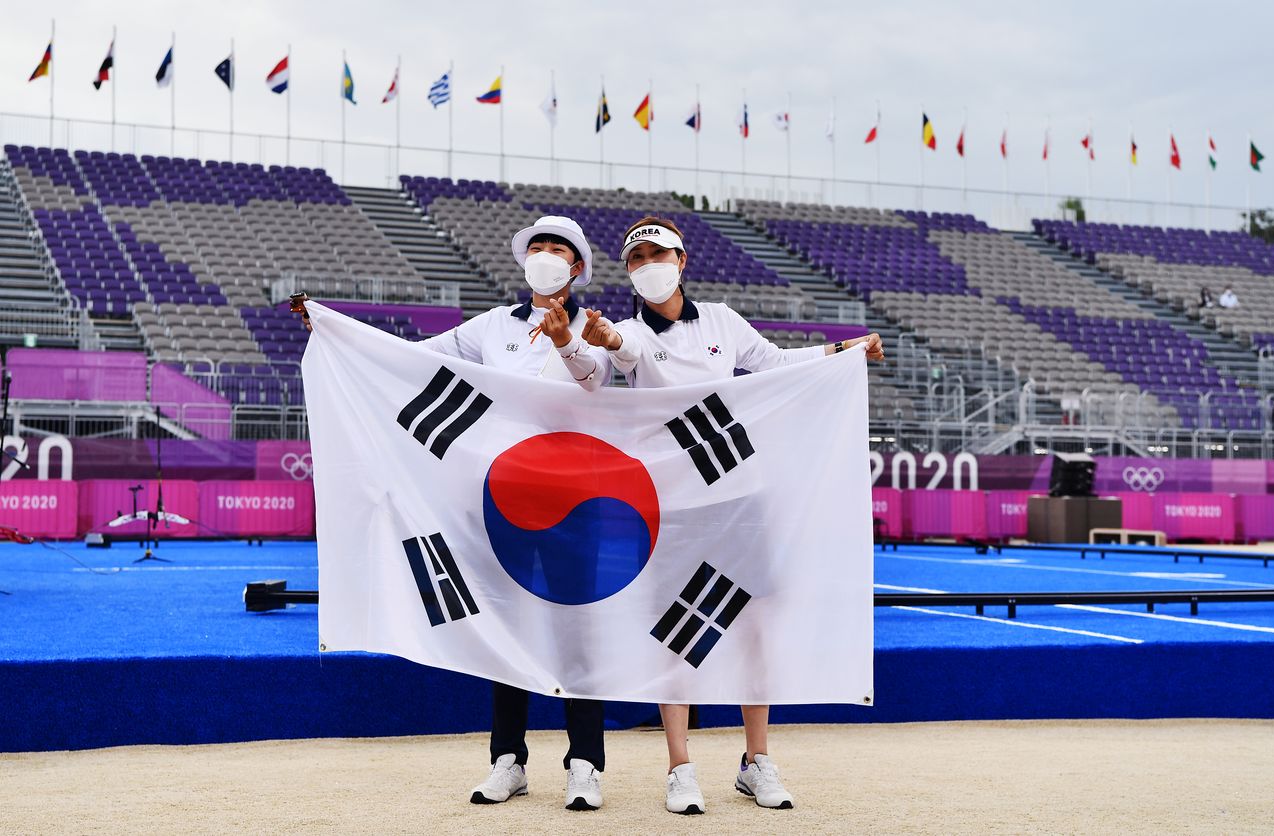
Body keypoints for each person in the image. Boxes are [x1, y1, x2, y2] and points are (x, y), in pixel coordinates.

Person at [294, 215, 613, 811]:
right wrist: (336, 330)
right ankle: (508, 759)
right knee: (507, 625)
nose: (544, 256)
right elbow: (409, 359)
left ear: (576, 268)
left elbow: (595, 381)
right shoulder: (493, 327)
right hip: (503, 498)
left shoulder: (599, 328)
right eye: (536, 247)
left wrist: (568, 337)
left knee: (577, 631)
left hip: (579, 498)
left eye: (557, 250)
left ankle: (586, 763)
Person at [580, 216, 884, 815]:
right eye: (636, 260)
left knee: (754, 629)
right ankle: (679, 766)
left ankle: (756, 761)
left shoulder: (721, 320)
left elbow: (775, 362)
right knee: (675, 635)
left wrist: (844, 351)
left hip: (739, 496)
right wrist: (607, 340)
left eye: (656, 253)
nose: (647, 266)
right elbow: (623, 348)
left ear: (682, 258)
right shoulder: (630, 333)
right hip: (673, 506)